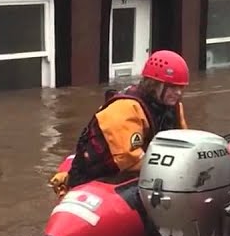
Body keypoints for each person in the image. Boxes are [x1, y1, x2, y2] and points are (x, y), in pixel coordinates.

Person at [48, 50, 189, 197]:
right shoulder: (126, 108)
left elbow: (185, 141)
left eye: (181, 88)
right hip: (100, 174)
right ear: (155, 85)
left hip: (139, 169)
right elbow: (130, 161)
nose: (179, 93)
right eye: (173, 87)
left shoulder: (173, 106)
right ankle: (68, 181)